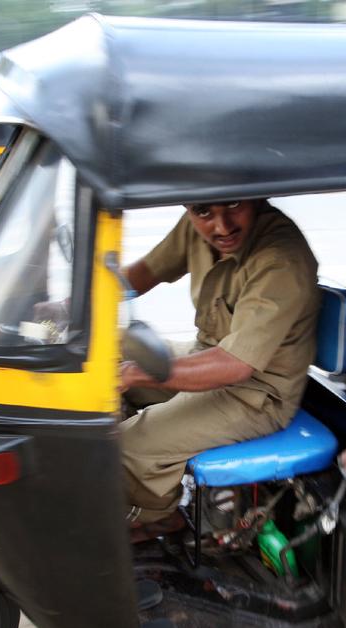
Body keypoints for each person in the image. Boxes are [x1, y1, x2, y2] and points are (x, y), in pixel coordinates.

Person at [119, 199, 319, 538]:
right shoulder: (199, 223)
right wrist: (72, 307)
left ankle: (158, 514)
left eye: (234, 205)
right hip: (208, 356)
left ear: (256, 196)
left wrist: (137, 373)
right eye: (203, 212)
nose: (222, 226)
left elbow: (235, 366)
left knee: (126, 445)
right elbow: (141, 275)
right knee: (108, 348)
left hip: (257, 393)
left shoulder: (280, 259)